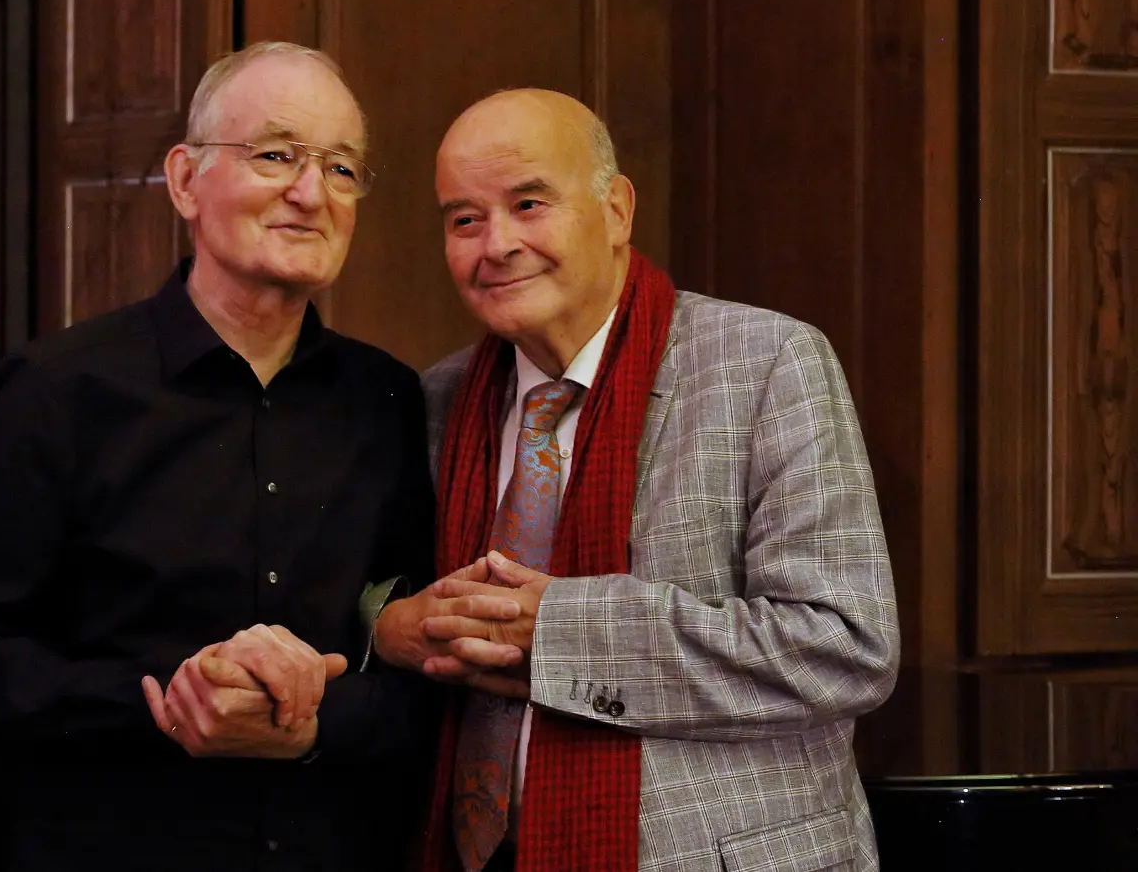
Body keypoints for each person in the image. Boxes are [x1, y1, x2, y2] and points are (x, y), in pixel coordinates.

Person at [0, 42, 442, 872]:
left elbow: (413, 669)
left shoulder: (389, 400)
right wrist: (169, 697)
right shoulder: (61, 389)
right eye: (276, 155)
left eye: (341, 168)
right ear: (186, 181)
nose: (310, 192)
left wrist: (313, 723)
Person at [373, 89, 900, 871]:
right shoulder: (438, 401)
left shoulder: (766, 365)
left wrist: (559, 634)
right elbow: (374, 591)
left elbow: (844, 647)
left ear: (616, 210)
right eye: (464, 219)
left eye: (528, 203)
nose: (498, 243)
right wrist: (390, 628)